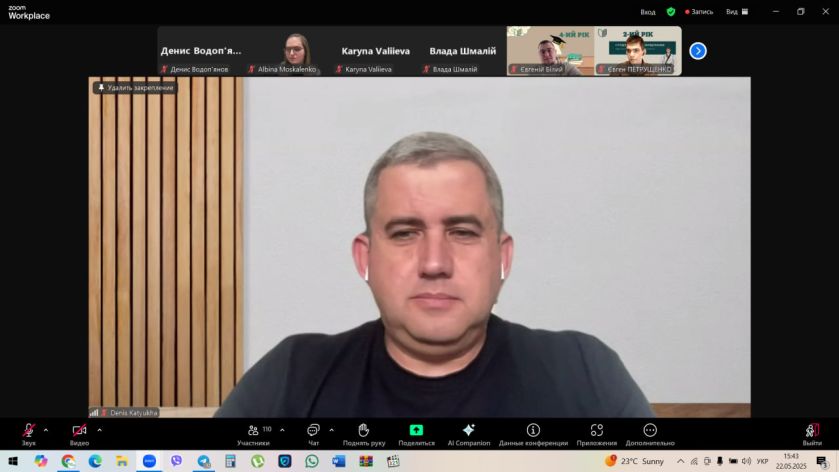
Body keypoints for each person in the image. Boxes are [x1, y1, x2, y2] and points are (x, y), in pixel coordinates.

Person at [215, 132, 653, 418]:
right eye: (405, 233)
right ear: (365, 259)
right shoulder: (292, 378)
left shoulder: (582, 373)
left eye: (462, 233)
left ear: (503, 258)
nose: (434, 263)